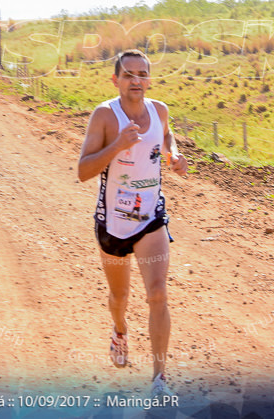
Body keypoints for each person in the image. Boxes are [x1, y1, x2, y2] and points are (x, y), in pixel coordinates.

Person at [77, 49, 189, 397]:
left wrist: (173, 153)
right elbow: (83, 171)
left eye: (142, 74)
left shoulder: (159, 110)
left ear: (149, 79)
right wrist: (117, 145)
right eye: (128, 75)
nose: (136, 81)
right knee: (120, 295)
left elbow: (166, 135)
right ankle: (119, 329)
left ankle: (159, 379)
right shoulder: (105, 116)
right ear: (116, 80)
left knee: (157, 293)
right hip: (112, 223)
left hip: (150, 219)